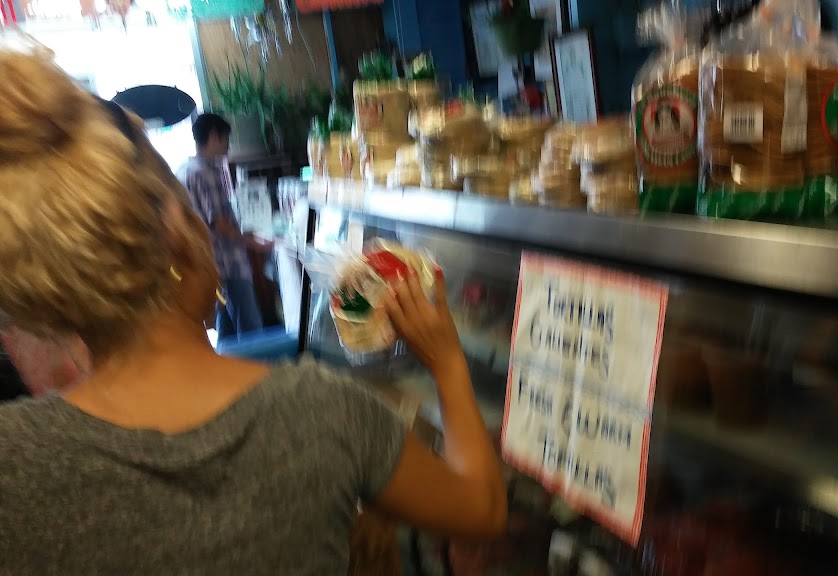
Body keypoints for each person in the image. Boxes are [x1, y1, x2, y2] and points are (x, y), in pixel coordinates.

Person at [0, 38, 506, 573]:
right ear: (176, 231)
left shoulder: (16, 459)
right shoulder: (321, 411)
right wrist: (447, 361)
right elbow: (483, 510)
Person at [177, 113, 265, 340]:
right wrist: (252, 242)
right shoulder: (205, 172)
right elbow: (219, 223)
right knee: (251, 327)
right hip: (228, 262)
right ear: (214, 136)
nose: (228, 145)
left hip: (208, 264)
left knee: (226, 327)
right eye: (226, 139)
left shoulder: (184, 169)